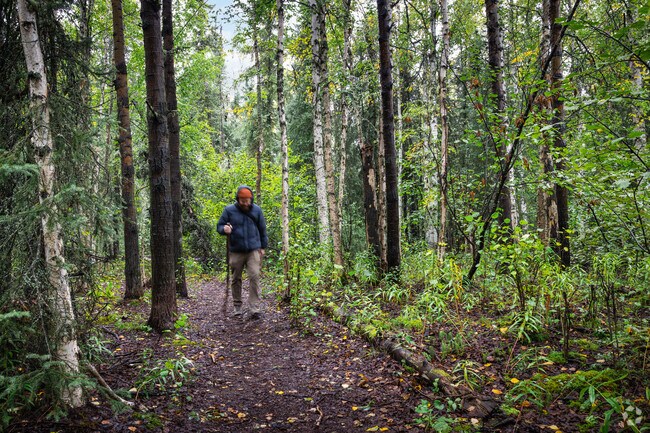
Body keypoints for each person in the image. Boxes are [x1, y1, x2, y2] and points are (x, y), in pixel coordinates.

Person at [217, 185, 268, 319]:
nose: (245, 203)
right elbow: (219, 226)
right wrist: (225, 229)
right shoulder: (229, 210)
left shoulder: (257, 210)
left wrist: (263, 247)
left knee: (254, 276)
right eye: (242, 200)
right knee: (236, 278)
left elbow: (262, 229)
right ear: (238, 199)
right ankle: (237, 306)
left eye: (248, 200)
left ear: (251, 199)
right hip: (236, 250)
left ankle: (254, 308)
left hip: (253, 250)